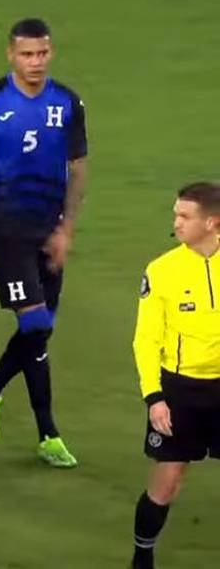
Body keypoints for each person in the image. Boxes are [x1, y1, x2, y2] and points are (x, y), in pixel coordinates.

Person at [0, 17, 87, 468]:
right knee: (34, 325)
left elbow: (79, 167)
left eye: (43, 53)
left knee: (42, 328)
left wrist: (67, 228)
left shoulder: (68, 103)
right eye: (27, 54)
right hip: (7, 226)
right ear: (10, 55)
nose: (36, 62)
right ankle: (37, 423)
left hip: (48, 228)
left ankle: (4, 400)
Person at [129, 182, 220, 569]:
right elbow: (145, 340)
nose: (176, 223)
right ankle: (142, 556)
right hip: (180, 390)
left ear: (212, 222)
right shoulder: (162, 271)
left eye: (185, 216)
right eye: (176, 215)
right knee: (167, 480)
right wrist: (154, 397)